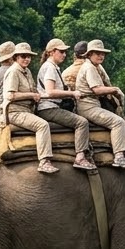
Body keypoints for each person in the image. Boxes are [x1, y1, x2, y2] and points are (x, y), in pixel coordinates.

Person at [74, 40, 125, 169]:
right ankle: (119, 156)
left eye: (102, 53)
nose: (101, 56)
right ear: (89, 54)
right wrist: (115, 90)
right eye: (97, 53)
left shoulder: (95, 66)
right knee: (117, 122)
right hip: (88, 106)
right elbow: (96, 89)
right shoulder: (89, 68)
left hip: (93, 104)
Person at [37, 38, 97, 171]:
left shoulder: (54, 67)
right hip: (48, 108)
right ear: (51, 52)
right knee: (82, 122)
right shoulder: (50, 68)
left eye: (65, 52)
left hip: (51, 106)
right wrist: (72, 94)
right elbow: (50, 91)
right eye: (61, 51)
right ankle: (80, 157)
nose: (64, 54)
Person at [0, 42, 60, 174]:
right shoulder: (13, 71)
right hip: (15, 112)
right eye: (23, 56)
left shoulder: (26, 71)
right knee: (42, 125)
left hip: (27, 110)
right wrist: (32, 95)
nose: (26, 59)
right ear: (16, 57)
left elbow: (35, 90)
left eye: (28, 56)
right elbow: (10, 95)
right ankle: (44, 161)